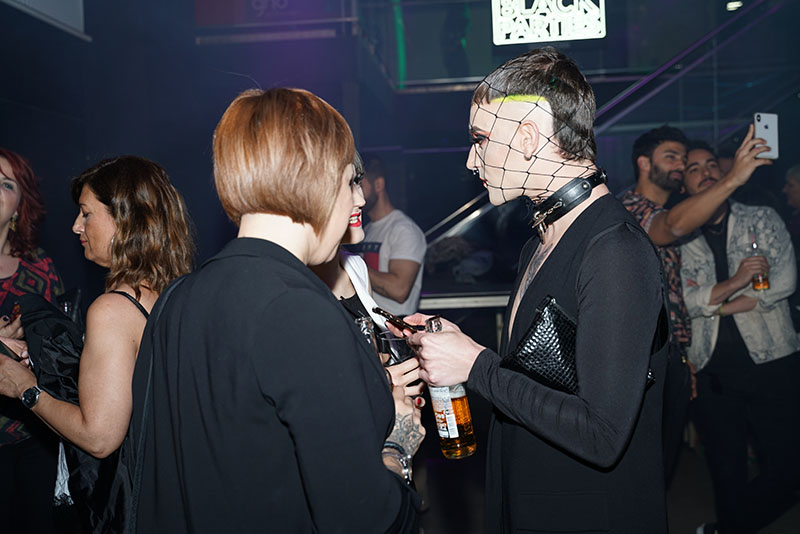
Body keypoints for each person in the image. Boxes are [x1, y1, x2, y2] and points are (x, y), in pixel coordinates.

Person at [396, 47, 668, 533]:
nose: (471, 160)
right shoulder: (537, 244)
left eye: (480, 139)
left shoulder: (615, 250)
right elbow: (536, 380)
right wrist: (459, 347)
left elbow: (603, 434)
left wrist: (475, 365)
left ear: (526, 137)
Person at [130, 88, 425, 533]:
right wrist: (397, 449)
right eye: (350, 181)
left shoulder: (177, 298)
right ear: (313, 176)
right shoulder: (300, 310)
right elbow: (363, 516)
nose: (359, 200)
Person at [0, 155, 195, 531]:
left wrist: (24, 387)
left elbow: (99, 437)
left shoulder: (113, 308)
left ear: (125, 219)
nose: (76, 226)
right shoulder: (175, 293)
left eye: (86, 214)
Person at [621, 124, 771, 484]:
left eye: (683, 159)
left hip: (669, 354)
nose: (680, 164)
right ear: (644, 163)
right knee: (641, 467)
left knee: (662, 462)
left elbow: (676, 297)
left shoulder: (673, 211)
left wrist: (683, 357)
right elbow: (669, 227)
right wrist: (733, 179)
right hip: (639, 359)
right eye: (671, 156)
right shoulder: (629, 209)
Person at [680, 141, 800, 534]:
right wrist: (736, 284)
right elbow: (682, 301)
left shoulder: (761, 216)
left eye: (711, 164)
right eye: (694, 168)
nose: (706, 172)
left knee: (788, 467)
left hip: (773, 358)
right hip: (712, 369)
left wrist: (716, 304)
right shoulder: (678, 232)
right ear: (684, 184)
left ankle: (729, 528)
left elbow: (784, 281)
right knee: (725, 469)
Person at [0, 148, 64, 534]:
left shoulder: (40, 268)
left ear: (19, 207)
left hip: (30, 436)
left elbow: (59, 352)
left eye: (6, 184)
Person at [348, 158, 426, 316]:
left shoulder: (404, 229)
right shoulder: (366, 229)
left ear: (378, 184)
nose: (355, 193)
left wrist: (349, 263)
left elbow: (399, 290)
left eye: (360, 185)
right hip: (373, 321)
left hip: (397, 325)